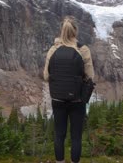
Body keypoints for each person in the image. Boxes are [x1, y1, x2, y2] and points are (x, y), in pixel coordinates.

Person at [43, 16, 95, 163]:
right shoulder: (83, 49)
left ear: (62, 31)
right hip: (77, 100)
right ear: (75, 31)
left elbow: (46, 76)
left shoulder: (53, 49)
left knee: (59, 135)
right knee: (76, 136)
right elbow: (90, 77)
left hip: (58, 99)